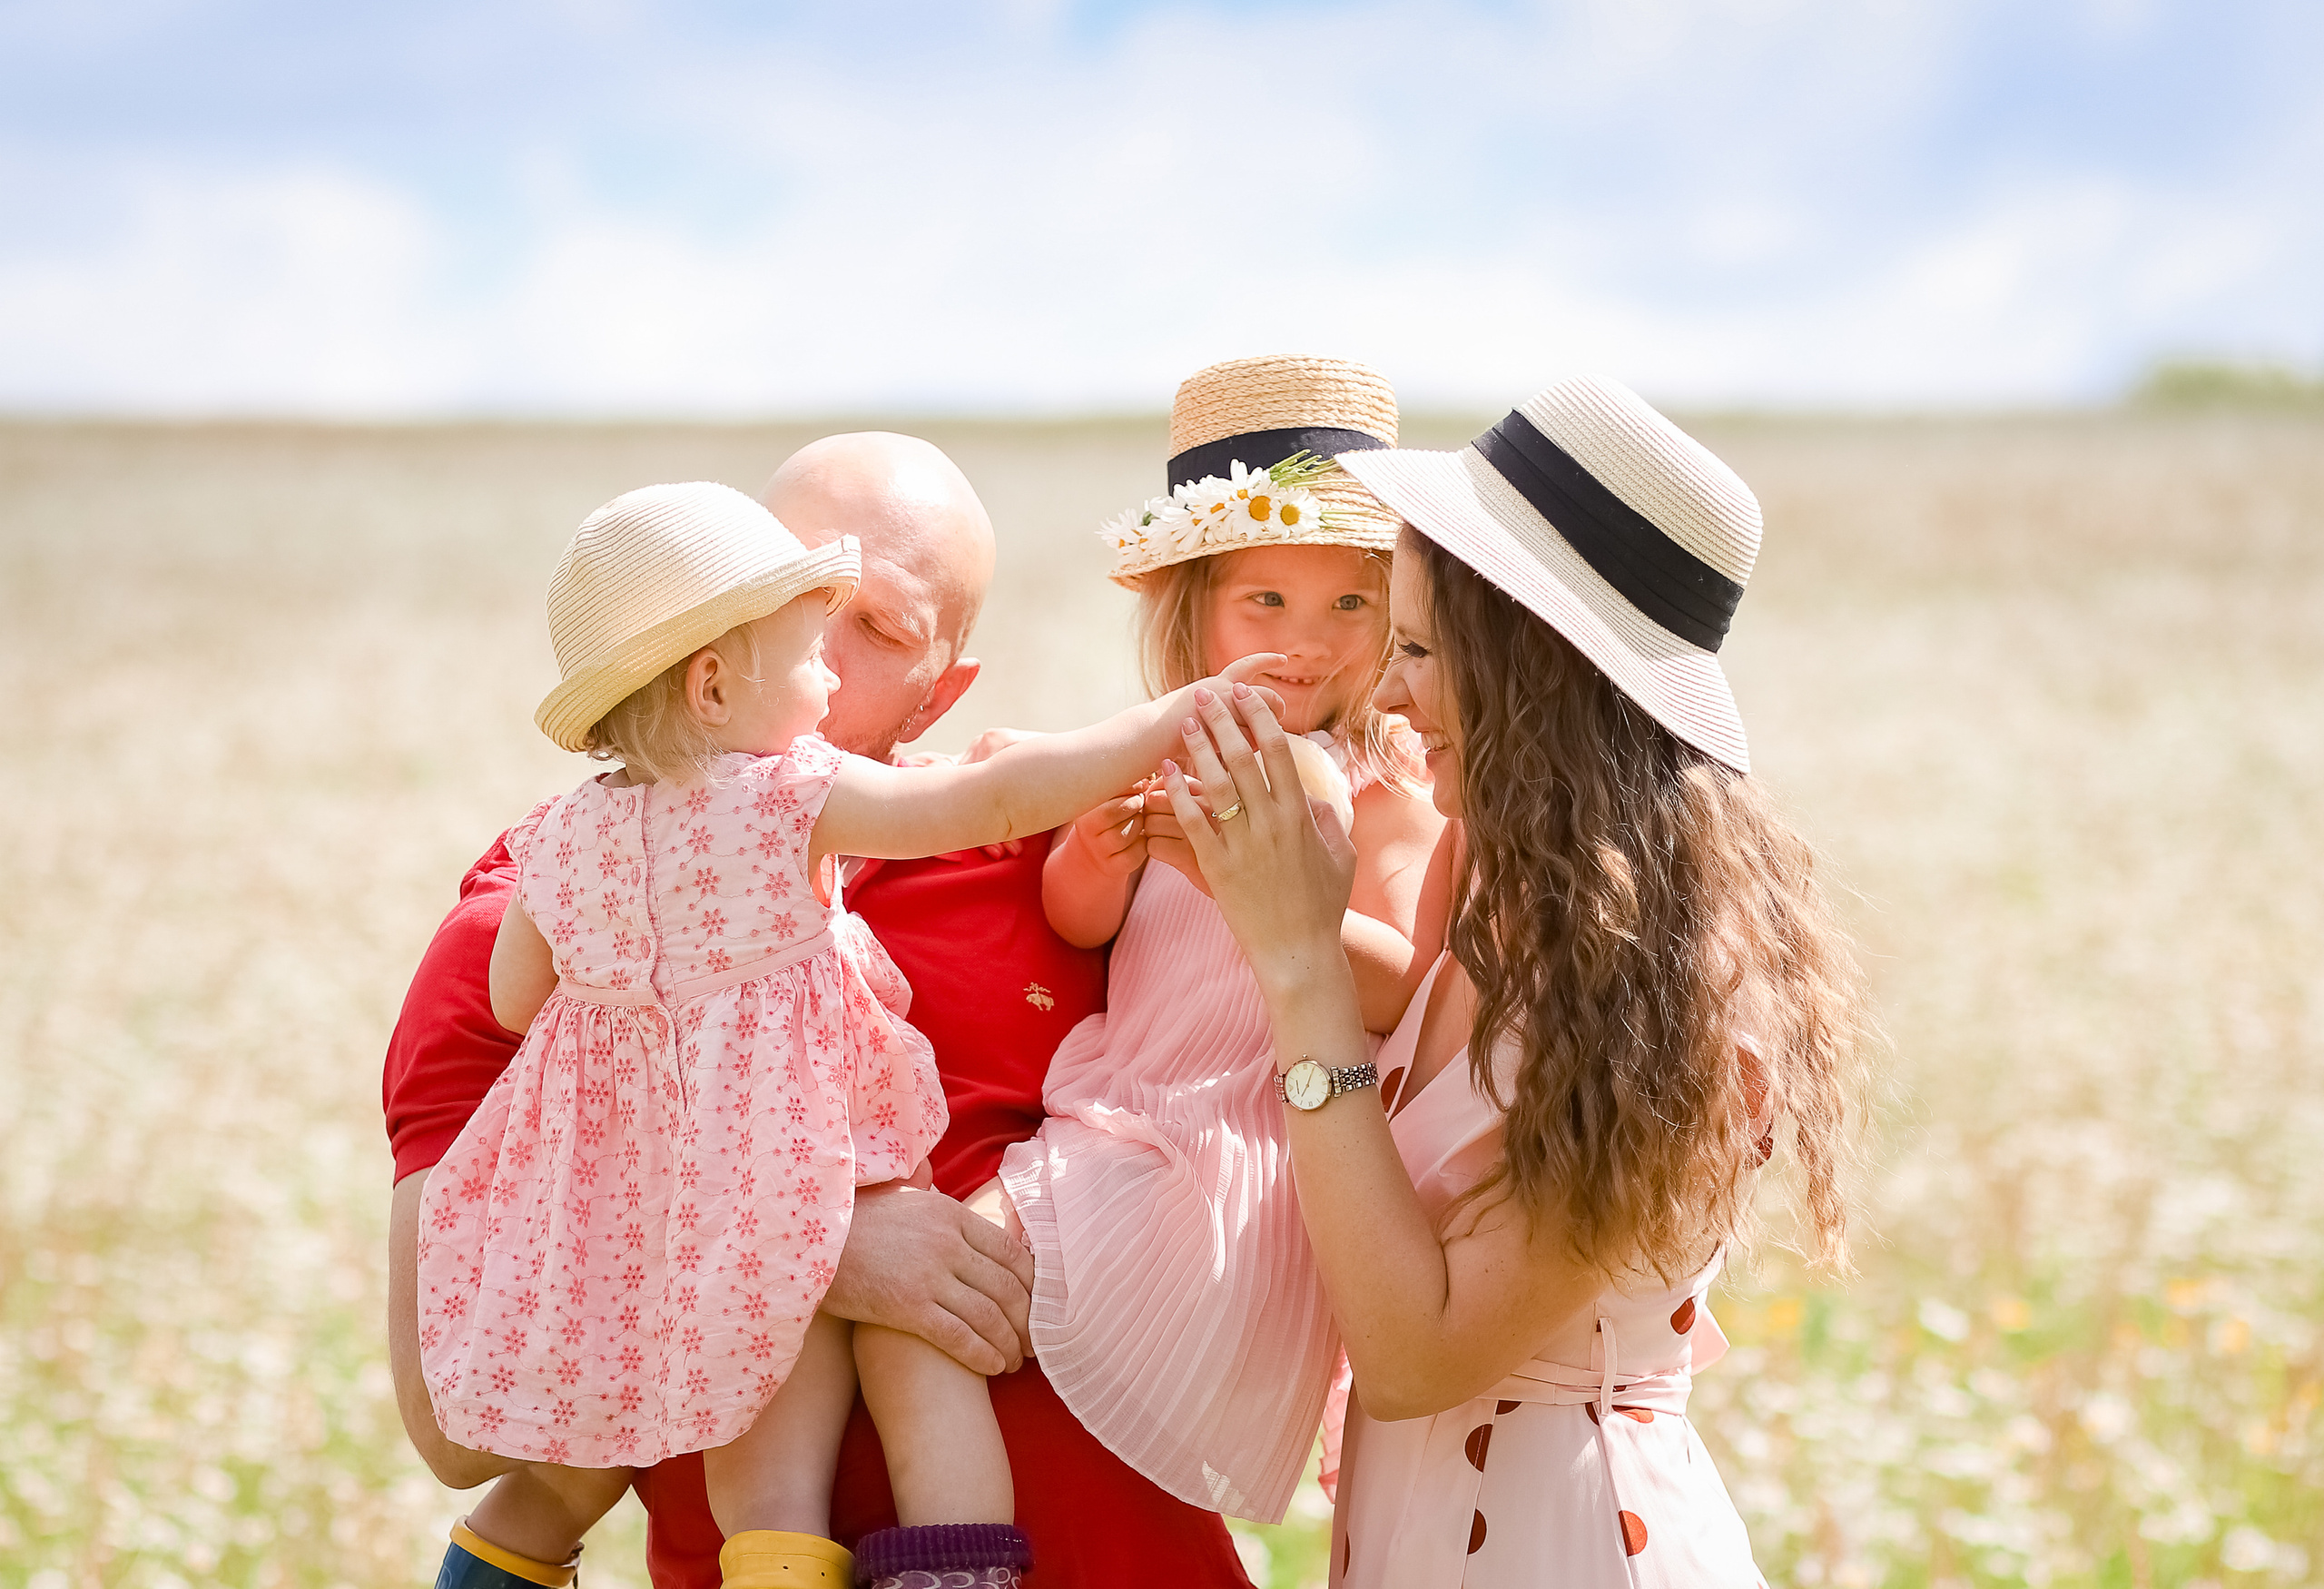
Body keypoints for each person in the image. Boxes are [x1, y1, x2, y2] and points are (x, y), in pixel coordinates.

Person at [384, 435, 1260, 1589]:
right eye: (791, 597)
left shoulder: (1073, 867)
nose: (826, 660)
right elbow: (458, 1426)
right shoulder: (555, 910)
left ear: (942, 689)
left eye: (879, 628)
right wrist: (813, 1242)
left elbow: (1230, 1146)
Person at [1157, 376, 1871, 1584]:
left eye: (1423, 650)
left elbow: (1415, 1355)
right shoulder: (1476, 871)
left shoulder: (1675, 988)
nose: (1385, 690)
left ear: (1533, 668)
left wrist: (1296, 963)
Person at [994, 356, 1449, 1524]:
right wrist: (1100, 852)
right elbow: (1075, 921)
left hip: (1246, 1143)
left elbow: (1401, 988)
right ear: (1191, 610)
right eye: (1265, 603)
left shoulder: (1386, 779)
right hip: (1119, 1108)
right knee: (934, 1304)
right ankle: (937, 1543)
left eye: (1350, 604)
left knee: (957, 1285)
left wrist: (1252, 882)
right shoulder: (1155, 751)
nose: (1307, 641)